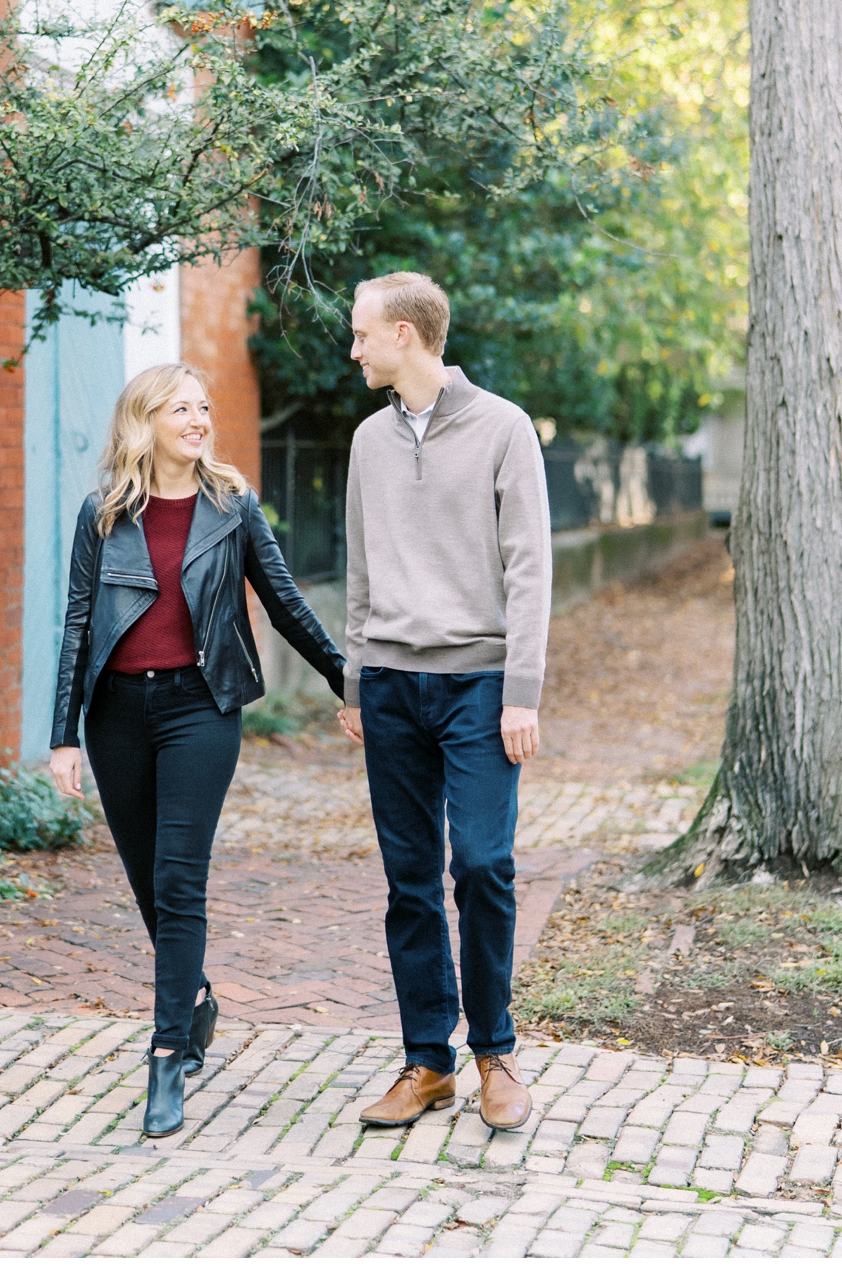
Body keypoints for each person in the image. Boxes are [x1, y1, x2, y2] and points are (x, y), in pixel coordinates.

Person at [49, 361, 347, 1140]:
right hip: (116, 715)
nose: (198, 419)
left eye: (203, 408)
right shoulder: (103, 514)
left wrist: (344, 677)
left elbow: (283, 601)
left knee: (181, 879)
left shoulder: (233, 507)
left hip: (198, 709)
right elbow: (78, 624)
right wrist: (61, 736)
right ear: (144, 421)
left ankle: (167, 1051)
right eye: (180, 408)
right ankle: (195, 999)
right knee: (150, 881)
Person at [336, 272, 549, 1134]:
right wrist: (356, 679)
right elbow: (358, 568)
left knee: (485, 867)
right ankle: (428, 1062)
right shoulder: (365, 443)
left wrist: (521, 692)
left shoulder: (504, 428)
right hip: (390, 686)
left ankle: (495, 1049)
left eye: (361, 335)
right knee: (409, 882)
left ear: (404, 335)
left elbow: (531, 568)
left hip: (480, 687)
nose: (352, 350)